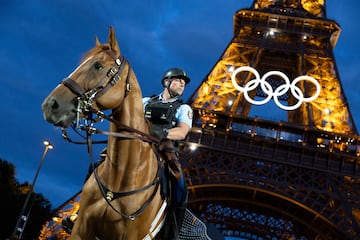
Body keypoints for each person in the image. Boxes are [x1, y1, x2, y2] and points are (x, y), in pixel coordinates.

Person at [143, 67, 193, 238]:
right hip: (139, 143)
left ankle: (173, 232)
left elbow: (182, 132)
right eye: (178, 80)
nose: (182, 85)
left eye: (184, 83)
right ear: (166, 82)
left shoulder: (183, 108)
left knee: (180, 183)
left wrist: (162, 133)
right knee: (103, 160)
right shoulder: (145, 102)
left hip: (164, 148)